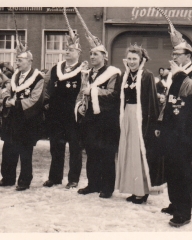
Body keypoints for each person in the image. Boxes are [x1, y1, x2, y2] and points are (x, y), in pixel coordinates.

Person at [74, 7, 121, 198]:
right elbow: (82, 93)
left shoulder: (113, 73)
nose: (92, 56)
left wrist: (92, 90)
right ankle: (93, 183)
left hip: (107, 119)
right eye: (91, 54)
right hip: (90, 119)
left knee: (107, 154)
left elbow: (112, 94)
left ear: (105, 57)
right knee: (91, 153)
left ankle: (107, 187)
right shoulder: (89, 73)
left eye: (96, 54)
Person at [115, 43, 165, 204]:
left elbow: (151, 101)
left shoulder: (147, 75)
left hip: (141, 118)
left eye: (134, 58)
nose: (131, 61)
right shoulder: (125, 75)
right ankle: (133, 188)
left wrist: (152, 124)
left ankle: (143, 191)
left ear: (141, 59)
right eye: (129, 58)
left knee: (139, 153)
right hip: (127, 116)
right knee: (129, 152)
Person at [156, 8, 192, 227]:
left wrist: (177, 74)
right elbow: (169, 100)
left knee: (184, 170)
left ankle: (184, 211)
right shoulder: (175, 71)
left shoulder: (186, 74)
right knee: (172, 167)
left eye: (177, 53)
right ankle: (175, 202)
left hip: (186, 131)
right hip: (172, 129)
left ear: (188, 55)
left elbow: (184, 96)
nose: (173, 56)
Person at [0, 41, 45, 191]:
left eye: (20, 60)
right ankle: (7, 178)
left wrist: (15, 104)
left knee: (25, 151)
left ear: (29, 61)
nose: (17, 63)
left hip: (27, 120)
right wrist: (6, 100)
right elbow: (7, 91)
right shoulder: (15, 76)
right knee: (8, 148)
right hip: (12, 119)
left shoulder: (38, 78)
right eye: (16, 60)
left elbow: (36, 99)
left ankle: (24, 180)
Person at [43, 8, 83, 189]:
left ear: (79, 52)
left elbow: (83, 93)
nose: (68, 52)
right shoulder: (55, 69)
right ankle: (55, 177)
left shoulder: (84, 70)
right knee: (56, 147)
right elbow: (48, 88)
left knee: (74, 148)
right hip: (56, 114)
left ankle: (73, 179)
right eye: (67, 49)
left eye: (72, 49)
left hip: (73, 116)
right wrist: (47, 104)